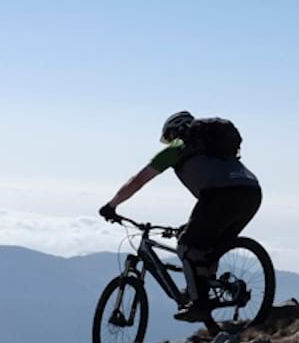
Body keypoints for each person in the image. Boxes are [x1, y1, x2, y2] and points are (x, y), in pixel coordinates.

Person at [100, 111, 262, 320]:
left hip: (220, 195)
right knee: (208, 246)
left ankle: (200, 303)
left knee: (187, 245)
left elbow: (138, 180)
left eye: (168, 137)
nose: (169, 142)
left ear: (174, 132)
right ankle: (205, 288)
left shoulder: (179, 146)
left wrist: (112, 205)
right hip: (251, 193)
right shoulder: (214, 146)